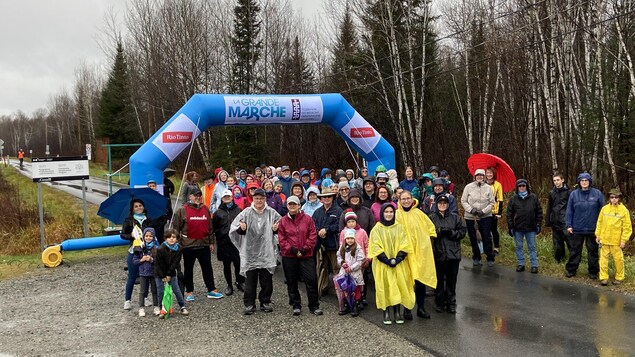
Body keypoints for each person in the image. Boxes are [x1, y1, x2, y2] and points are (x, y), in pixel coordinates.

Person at [229, 188, 282, 315]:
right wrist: (242, 229)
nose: (259, 201)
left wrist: (276, 229)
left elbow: (281, 226)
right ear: (253, 199)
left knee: (266, 280)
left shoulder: (271, 212)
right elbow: (235, 229)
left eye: (261, 198)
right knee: (250, 281)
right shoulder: (246, 213)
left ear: (265, 199)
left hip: (266, 252)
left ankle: (265, 301)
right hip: (250, 252)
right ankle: (249, 303)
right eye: (256, 198)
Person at [173, 186, 224, 301]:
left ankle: (211, 289)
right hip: (188, 245)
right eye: (195, 195)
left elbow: (210, 227)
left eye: (199, 195)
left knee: (207, 268)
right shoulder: (182, 210)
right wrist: (178, 243)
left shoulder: (205, 209)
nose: (197, 197)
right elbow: (176, 228)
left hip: (203, 244)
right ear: (190, 196)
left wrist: (211, 242)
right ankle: (189, 291)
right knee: (188, 269)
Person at [368, 204, 415, 325]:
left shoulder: (399, 228)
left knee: (398, 286)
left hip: (398, 265)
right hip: (383, 265)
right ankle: (386, 312)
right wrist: (386, 260)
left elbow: (405, 243)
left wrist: (398, 258)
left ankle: (397, 312)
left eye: (391, 212)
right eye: (386, 212)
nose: (389, 214)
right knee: (385, 287)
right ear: (382, 213)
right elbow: (375, 246)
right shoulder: (376, 229)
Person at [395, 190, 437, 319]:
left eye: (408, 198)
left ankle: (421, 307)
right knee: (407, 282)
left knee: (420, 281)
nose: (406, 201)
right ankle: (407, 309)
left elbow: (431, 229)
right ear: (399, 200)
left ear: (412, 199)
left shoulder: (419, 214)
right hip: (405, 254)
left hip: (419, 253)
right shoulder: (396, 215)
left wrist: (427, 244)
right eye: (403, 199)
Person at [278, 196, 322, 316]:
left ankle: (314, 305)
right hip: (289, 255)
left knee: (311, 279)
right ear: (287, 206)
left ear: (299, 206)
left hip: (306, 254)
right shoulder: (283, 221)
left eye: (294, 204)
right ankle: (295, 304)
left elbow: (312, 235)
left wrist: (304, 249)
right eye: (290, 204)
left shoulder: (307, 219)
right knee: (292, 281)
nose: (292, 206)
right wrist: (292, 250)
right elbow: (281, 239)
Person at [428, 195, 466, 313]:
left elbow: (462, 232)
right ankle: (439, 302)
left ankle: (451, 302)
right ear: (436, 204)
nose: (442, 205)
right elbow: (427, 232)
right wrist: (438, 232)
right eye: (440, 203)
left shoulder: (456, 218)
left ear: (448, 205)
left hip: (453, 253)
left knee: (451, 280)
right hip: (438, 252)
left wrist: (451, 233)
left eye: (444, 203)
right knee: (439, 280)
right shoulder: (431, 218)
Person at [565, 173, 605, 279]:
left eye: (586, 180)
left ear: (590, 182)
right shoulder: (574, 194)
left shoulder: (597, 194)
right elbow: (569, 211)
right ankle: (571, 270)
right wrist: (569, 225)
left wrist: (602, 228)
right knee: (575, 250)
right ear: (579, 182)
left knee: (593, 251)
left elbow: (603, 211)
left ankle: (593, 271)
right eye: (582, 180)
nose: (584, 182)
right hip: (577, 228)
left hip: (593, 229)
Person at [120, 198, 157, 310]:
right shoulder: (128, 220)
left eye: (140, 205)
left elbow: (152, 233)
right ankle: (127, 300)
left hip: (146, 252)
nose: (138, 208)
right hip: (134, 251)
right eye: (136, 206)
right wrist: (131, 235)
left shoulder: (148, 220)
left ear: (143, 207)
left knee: (146, 275)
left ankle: (145, 298)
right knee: (132, 277)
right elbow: (122, 235)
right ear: (132, 209)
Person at [595, 188, 632, 285]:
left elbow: (627, 227)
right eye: (612, 197)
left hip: (616, 241)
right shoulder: (605, 208)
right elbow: (599, 222)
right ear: (609, 198)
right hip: (604, 239)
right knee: (603, 260)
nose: (614, 199)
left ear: (619, 198)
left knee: (618, 260)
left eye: (616, 197)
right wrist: (598, 235)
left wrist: (623, 240)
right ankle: (603, 278)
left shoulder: (624, 210)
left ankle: (619, 277)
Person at [211, 190, 245, 296]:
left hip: (236, 242)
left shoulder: (239, 210)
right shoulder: (218, 212)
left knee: (238, 263)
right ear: (222, 199)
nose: (227, 198)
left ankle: (240, 282)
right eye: (224, 197)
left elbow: (243, 224)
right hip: (223, 242)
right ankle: (229, 285)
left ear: (232, 197)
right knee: (226, 265)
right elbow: (214, 227)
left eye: (228, 196)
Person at [312, 187, 344, 297]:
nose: (326, 198)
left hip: (334, 244)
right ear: (321, 198)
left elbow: (339, 225)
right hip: (321, 244)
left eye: (329, 196)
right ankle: (323, 287)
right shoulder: (317, 212)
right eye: (324, 197)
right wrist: (318, 231)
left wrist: (327, 229)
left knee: (336, 267)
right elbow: (312, 225)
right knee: (322, 267)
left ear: (333, 197)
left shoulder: (338, 210)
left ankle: (339, 290)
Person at [506, 179, 543, 274]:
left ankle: (534, 265)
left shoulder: (533, 197)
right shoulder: (513, 199)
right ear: (517, 188)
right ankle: (521, 263)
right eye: (520, 186)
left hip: (531, 227)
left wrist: (538, 224)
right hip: (518, 227)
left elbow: (539, 212)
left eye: (523, 186)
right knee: (519, 246)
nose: (522, 188)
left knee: (532, 247)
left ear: (526, 187)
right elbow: (509, 214)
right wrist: (511, 227)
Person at [461, 169, 496, 266]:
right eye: (477, 175)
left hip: (485, 216)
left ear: (484, 177)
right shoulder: (468, 187)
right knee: (473, 237)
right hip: (471, 217)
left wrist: (483, 211)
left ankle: (490, 257)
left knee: (486, 236)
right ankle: (476, 256)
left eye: (481, 175)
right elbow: (463, 201)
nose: (479, 177)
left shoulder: (488, 188)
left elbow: (492, 203)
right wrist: (471, 210)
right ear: (474, 177)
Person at [155, 228, 189, 318]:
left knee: (176, 290)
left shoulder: (179, 248)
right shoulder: (160, 249)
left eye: (173, 237)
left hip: (171, 272)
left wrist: (169, 274)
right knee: (161, 291)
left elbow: (176, 262)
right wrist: (163, 276)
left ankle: (182, 306)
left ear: (177, 239)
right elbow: (159, 264)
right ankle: (161, 308)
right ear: (165, 238)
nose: (171, 239)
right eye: (169, 237)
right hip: (159, 272)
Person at [334, 229, 366, 317]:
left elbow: (360, 261)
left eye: (351, 238)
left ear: (354, 239)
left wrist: (351, 268)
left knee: (356, 289)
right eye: (348, 239)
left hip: (355, 273)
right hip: (344, 272)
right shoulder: (342, 248)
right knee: (345, 289)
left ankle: (355, 305)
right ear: (345, 239)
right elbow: (338, 256)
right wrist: (342, 263)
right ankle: (347, 304)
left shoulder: (358, 248)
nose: (350, 240)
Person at [132, 227, 160, 317]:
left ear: (153, 237)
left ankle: (156, 306)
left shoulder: (157, 248)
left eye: (150, 236)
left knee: (154, 290)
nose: (148, 238)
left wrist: (152, 259)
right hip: (143, 273)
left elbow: (159, 261)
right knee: (142, 291)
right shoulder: (139, 248)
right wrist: (142, 259)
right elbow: (134, 261)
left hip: (153, 272)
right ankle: (141, 308)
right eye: (146, 236)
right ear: (143, 237)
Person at [545, 173, 571, 263]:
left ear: (562, 180)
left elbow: (572, 207)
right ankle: (559, 260)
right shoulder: (552, 193)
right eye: (554, 180)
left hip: (566, 221)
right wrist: (548, 220)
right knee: (557, 243)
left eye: (558, 180)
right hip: (555, 221)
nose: (556, 182)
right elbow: (549, 207)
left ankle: (573, 260)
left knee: (570, 241)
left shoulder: (569, 192)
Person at [485, 167, 504, 255]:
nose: (489, 175)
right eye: (487, 173)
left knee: (494, 230)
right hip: (484, 210)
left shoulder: (498, 185)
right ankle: (486, 247)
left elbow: (500, 199)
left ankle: (496, 247)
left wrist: (499, 213)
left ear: (494, 174)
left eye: (490, 173)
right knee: (485, 230)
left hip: (494, 211)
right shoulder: (483, 184)